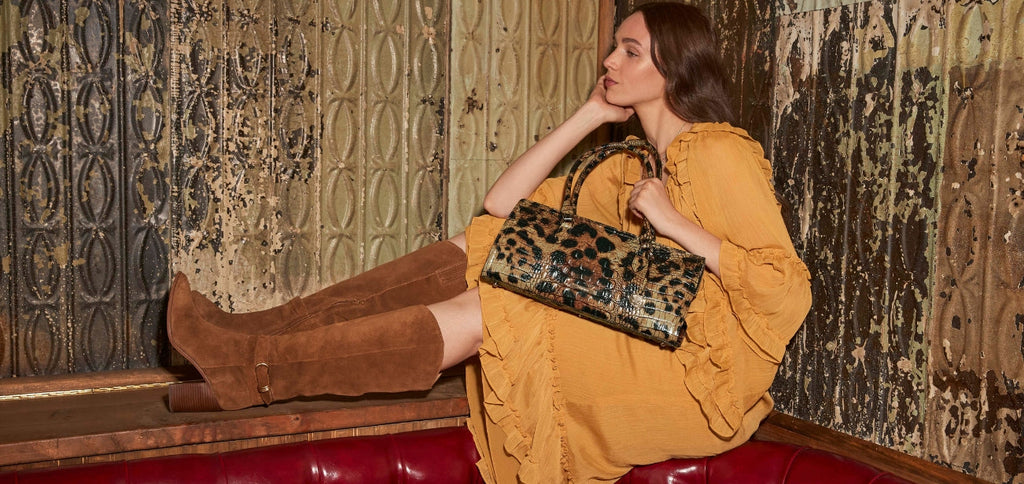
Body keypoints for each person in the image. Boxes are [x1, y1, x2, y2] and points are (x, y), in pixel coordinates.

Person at [166, 3, 812, 482]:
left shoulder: (719, 151)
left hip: (697, 380)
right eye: (614, 48)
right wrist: (591, 114)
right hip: (639, 342)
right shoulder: (626, 164)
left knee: (493, 310)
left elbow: (785, 290)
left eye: (630, 52)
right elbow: (504, 206)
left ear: (676, 66)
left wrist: (676, 225)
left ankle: (251, 369)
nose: (610, 62)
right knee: (487, 240)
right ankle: (246, 342)